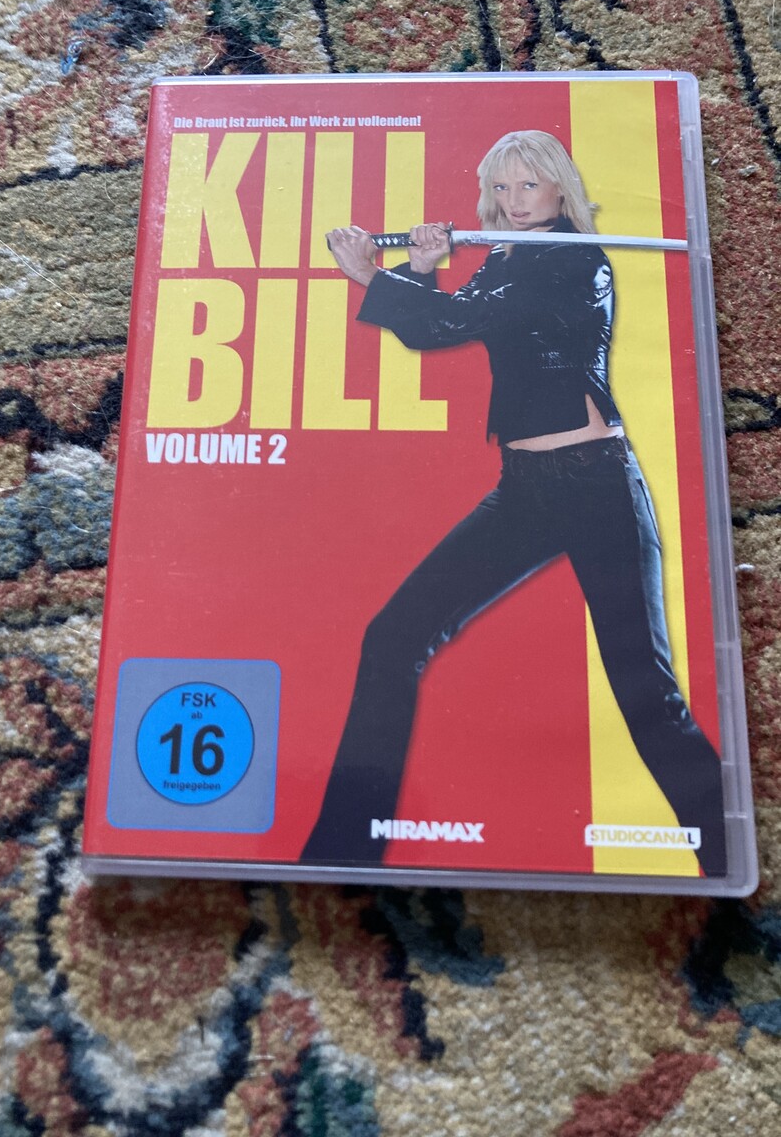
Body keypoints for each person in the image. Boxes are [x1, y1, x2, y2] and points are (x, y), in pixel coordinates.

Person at [300, 130, 726, 878]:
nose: (513, 200)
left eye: (528, 185)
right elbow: (437, 327)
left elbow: (456, 321)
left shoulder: (572, 258)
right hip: (524, 491)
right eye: (500, 187)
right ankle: (340, 853)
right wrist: (419, 267)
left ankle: (723, 856)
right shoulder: (507, 257)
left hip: (597, 486)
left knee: (644, 692)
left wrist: (371, 275)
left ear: (561, 188)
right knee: (393, 637)